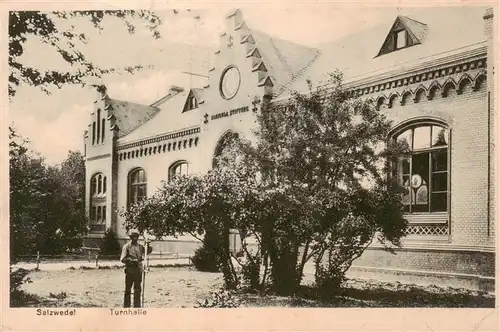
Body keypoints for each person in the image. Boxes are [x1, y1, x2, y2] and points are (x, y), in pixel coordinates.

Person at [120, 229, 152, 308]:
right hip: (130, 271)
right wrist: (133, 261)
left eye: (136, 236)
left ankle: (137, 307)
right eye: (133, 236)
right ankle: (126, 307)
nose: (135, 238)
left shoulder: (140, 246)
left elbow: (147, 251)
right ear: (130, 237)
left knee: (138, 289)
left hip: (138, 271)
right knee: (128, 290)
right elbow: (122, 259)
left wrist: (148, 243)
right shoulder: (126, 247)